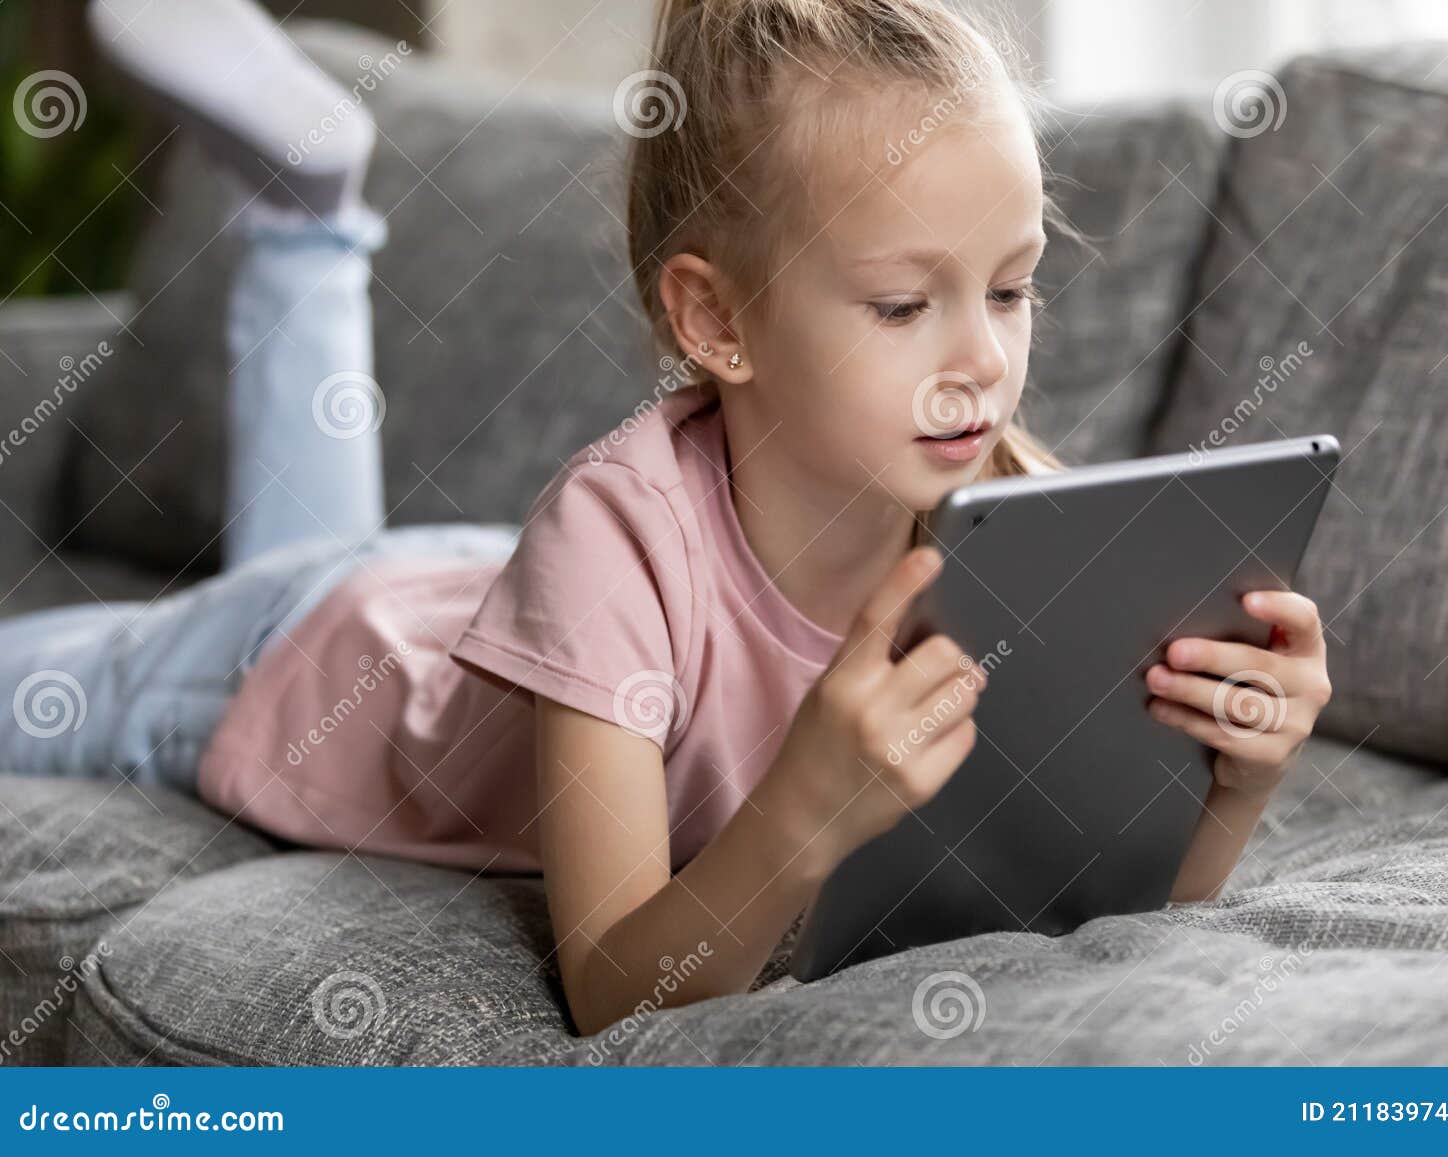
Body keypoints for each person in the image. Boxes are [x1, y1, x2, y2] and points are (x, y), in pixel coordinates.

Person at [1, 0, 1333, 1037]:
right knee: (286, 582)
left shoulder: (1021, 520)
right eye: (902, 303)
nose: (981, 358)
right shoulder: (612, 533)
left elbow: (1093, 899)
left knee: (321, 532)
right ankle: (305, 230)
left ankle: (308, 220)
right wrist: (804, 808)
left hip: (494, 602)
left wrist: (1230, 786)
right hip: (320, 661)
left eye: (1012, 288)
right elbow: (619, 994)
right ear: (716, 320)